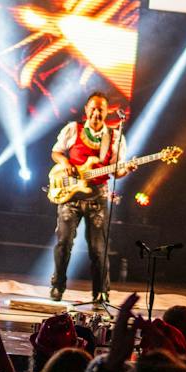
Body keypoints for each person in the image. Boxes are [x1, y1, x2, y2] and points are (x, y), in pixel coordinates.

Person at [49, 92, 129, 306]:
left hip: (97, 197)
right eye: (92, 108)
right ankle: (58, 284)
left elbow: (117, 171)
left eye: (100, 109)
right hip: (71, 195)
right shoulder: (72, 129)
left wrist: (125, 170)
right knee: (64, 242)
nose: (96, 113)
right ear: (86, 110)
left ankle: (101, 292)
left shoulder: (114, 137)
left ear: (106, 112)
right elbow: (56, 152)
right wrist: (65, 164)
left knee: (98, 248)